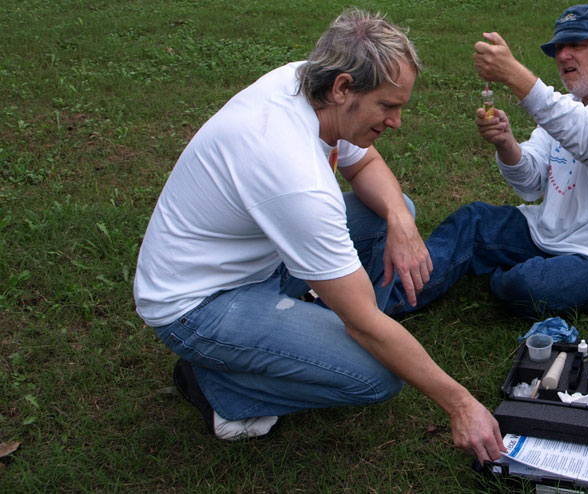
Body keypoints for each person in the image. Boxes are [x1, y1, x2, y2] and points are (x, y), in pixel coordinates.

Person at [132, 9, 505, 463]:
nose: (397, 122)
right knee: (377, 374)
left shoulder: (306, 85)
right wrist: (461, 403)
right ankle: (219, 386)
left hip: (256, 263)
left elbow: (364, 164)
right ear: (344, 87)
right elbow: (363, 322)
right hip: (196, 306)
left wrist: (401, 224)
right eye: (388, 106)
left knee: (393, 211)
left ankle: (299, 333)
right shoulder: (293, 173)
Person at [385, 4, 588, 318]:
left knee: (523, 286)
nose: (563, 55)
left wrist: (513, 75)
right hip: (554, 236)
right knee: (474, 221)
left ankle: (512, 275)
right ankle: (385, 300)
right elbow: (530, 181)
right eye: (558, 48)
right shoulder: (569, 106)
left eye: (576, 45)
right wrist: (506, 143)